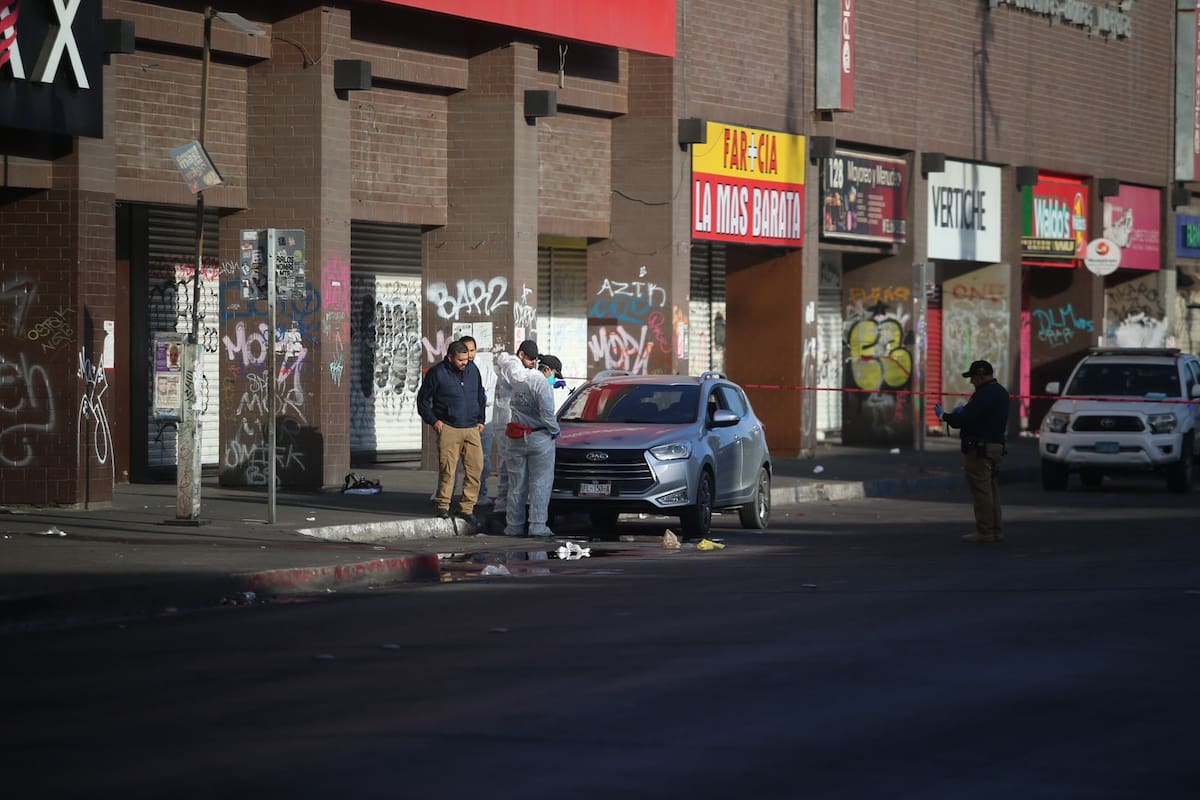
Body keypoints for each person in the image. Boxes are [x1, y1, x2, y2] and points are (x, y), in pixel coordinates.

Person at [936, 360, 1010, 544]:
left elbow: (964, 419)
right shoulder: (1001, 392)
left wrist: (944, 416)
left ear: (981, 376)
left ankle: (985, 531)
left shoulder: (984, 395)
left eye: (973, 378)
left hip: (980, 449)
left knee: (981, 491)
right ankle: (996, 530)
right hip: (996, 447)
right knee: (992, 490)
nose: (972, 383)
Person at [416, 340, 486, 524]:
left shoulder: (473, 370)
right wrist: (434, 421)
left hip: (472, 428)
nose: (465, 362)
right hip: (449, 427)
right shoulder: (437, 373)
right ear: (450, 358)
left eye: (467, 359)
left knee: (475, 469)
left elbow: (480, 394)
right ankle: (442, 506)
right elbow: (422, 401)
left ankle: (467, 508)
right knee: (448, 469)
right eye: (461, 360)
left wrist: (481, 419)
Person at [495, 345, 560, 538]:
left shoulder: (518, 379)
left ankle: (513, 526)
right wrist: (555, 431)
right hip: (539, 438)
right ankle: (537, 526)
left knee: (517, 485)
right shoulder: (541, 384)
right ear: (547, 370)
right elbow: (548, 414)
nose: (554, 379)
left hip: (516, 437)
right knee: (541, 483)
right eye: (554, 374)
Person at [488, 338, 540, 533]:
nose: (533, 363)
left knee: (510, 466)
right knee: (507, 466)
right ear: (521, 355)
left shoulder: (520, 365)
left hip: (512, 423)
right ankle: (502, 507)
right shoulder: (512, 365)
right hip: (506, 423)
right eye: (531, 359)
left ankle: (506, 505)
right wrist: (539, 378)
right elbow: (519, 380)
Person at [457, 335, 496, 508]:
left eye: (472, 350)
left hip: (483, 421)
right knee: (454, 459)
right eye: (466, 350)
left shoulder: (484, 369)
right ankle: (449, 493)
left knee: (482, 460)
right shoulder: (456, 367)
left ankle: (482, 492)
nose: (470, 354)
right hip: (462, 421)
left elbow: (486, 397)